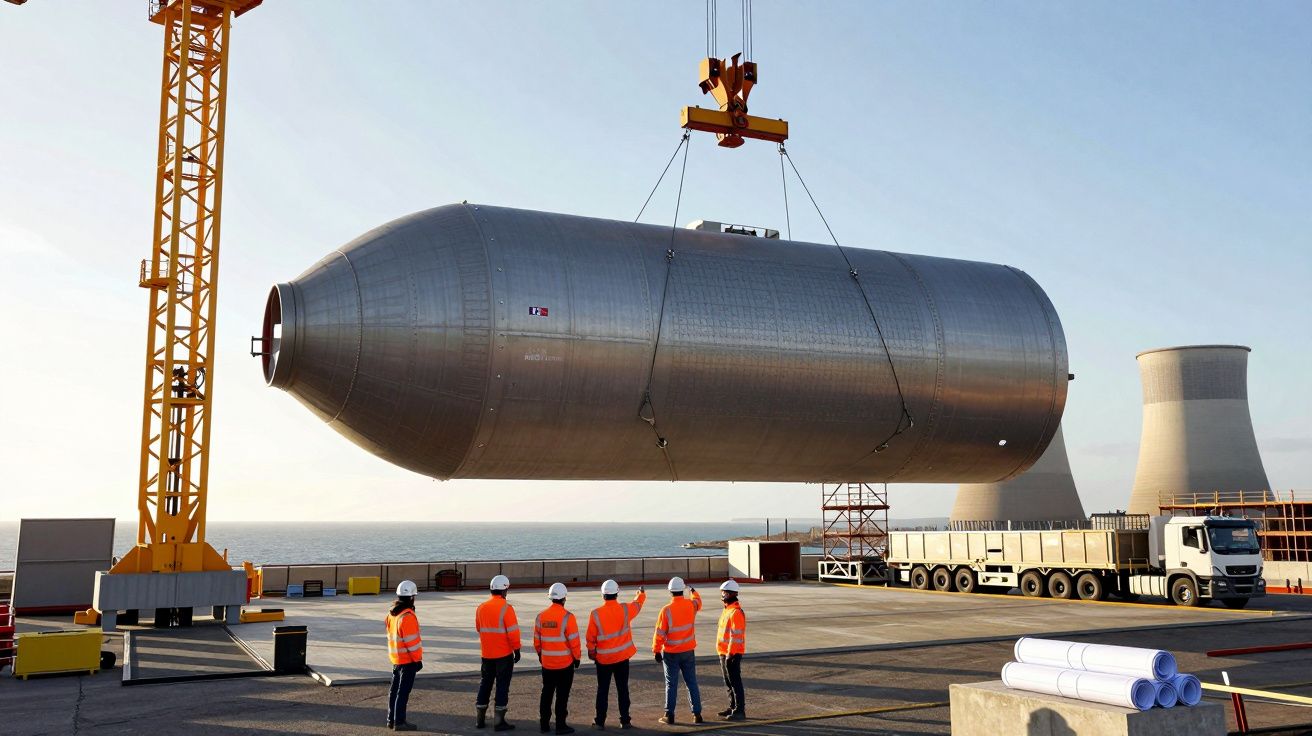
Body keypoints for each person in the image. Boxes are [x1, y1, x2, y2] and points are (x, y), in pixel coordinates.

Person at [585, 579, 646, 730]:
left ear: (603, 595)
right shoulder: (625, 609)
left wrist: (591, 651)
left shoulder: (596, 614)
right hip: (622, 658)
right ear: (617, 594)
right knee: (622, 689)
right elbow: (637, 605)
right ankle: (625, 720)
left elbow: (590, 637)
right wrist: (641, 594)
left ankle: (600, 722)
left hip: (604, 659)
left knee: (603, 690)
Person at [652, 576, 704, 725]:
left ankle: (669, 715)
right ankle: (697, 714)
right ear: (682, 590)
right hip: (688, 651)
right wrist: (693, 591)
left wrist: (656, 650)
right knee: (691, 682)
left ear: (670, 592)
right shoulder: (691, 605)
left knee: (671, 684)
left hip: (671, 653)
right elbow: (698, 602)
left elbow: (660, 633)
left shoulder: (666, 610)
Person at [533, 582, 582, 734]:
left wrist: (541, 655)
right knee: (562, 696)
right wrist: (577, 658)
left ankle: (544, 724)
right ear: (564, 598)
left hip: (547, 664)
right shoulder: (568, 617)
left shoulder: (541, 617)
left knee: (546, 694)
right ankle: (560, 725)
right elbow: (574, 641)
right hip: (564, 665)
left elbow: (537, 641)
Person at [476, 574, 522, 731]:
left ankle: (480, 719)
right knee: (502, 686)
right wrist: (517, 649)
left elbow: (479, 628)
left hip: (486, 654)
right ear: (504, 591)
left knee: (485, 684)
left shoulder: (481, 607)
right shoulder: (507, 609)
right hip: (503, 655)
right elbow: (513, 632)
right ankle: (498, 721)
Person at [385, 580, 423, 732]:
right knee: (403, 692)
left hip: (396, 659)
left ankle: (391, 719)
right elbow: (412, 643)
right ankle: (399, 721)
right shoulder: (407, 617)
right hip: (407, 661)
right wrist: (417, 660)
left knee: (394, 691)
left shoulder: (392, 614)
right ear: (412, 597)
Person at [716, 579, 747, 721]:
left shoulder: (736, 612)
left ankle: (740, 710)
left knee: (735, 682)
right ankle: (732, 706)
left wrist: (730, 654)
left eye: (725, 593)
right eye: (722, 592)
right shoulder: (727, 610)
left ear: (733, 594)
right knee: (728, 682)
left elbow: (736, 636)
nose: (723, 595)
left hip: (732, 654)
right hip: (723, 652)